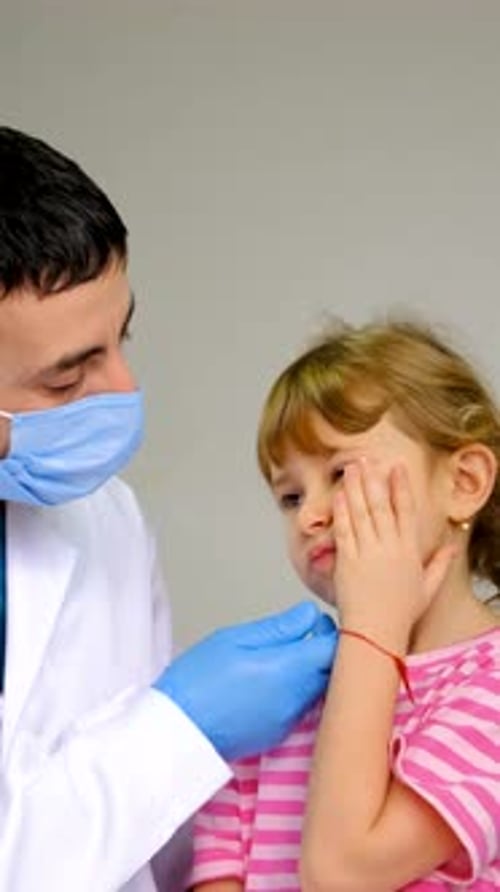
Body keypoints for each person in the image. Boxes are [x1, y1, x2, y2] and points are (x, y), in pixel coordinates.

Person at [0, 126, 338, 892]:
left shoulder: (102, 517)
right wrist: (182, 724)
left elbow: (163, 849)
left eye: (121, 338)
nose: (124, 391)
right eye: (65, 379)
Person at [188, 318, 500, 891]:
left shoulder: (492, 689)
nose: (311, 515)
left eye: (340, 473)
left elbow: (343, 875)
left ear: (464, 481)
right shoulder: (277, 695)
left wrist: (373, 628)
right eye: (289, 495)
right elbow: (218, 867)